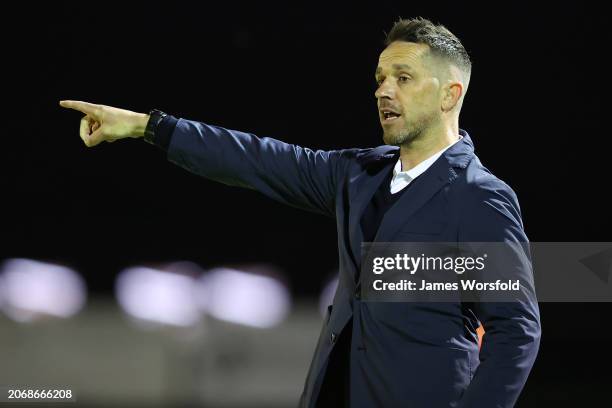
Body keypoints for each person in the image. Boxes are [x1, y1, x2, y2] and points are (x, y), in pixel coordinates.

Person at [60, 17, 541, 408]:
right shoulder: (357, 174)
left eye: (403, 78)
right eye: (379, 79)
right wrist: (149, 128)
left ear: (449, 95)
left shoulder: (480, 197)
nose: (383, 91)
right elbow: (257, 159)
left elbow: (516, 332)